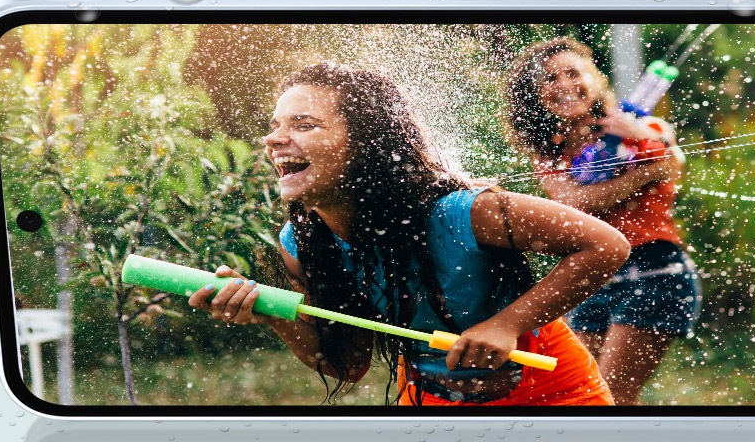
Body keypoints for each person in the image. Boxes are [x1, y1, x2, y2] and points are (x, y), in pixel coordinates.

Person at [187, 62, 627, 406]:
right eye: (276, 125)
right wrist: (275, 317)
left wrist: (505, 326)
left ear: (367, 142)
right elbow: (351, 363)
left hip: (554, 393)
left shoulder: (462, 212)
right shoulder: (300, 242)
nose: (274, 140)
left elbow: (606, 245)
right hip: (430, 398)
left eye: (303, 125)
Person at [503, 36, 703, 405]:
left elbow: (674, 164)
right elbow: (577, 203)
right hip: (591, 281)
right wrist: (644, 174)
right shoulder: (550, 152)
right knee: (581, 399)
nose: (564, 84)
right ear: (534, 96)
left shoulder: (643, 127)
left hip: (655, 274)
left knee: (612, 400)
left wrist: (643, 138)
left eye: (572, 72)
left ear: (594, 78)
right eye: (549, 79)